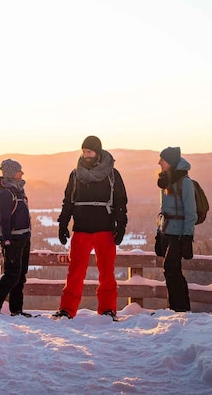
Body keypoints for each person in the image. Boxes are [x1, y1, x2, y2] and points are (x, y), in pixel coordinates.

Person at [54, 136, 128, 320]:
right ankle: (67, 310)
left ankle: (108, 309)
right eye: (84, 151)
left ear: (98, 152)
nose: (86, 155)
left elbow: (120, 201)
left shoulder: (112, 174)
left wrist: (121, 224)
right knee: (75, 273)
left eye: (89, 151)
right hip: (81, 229)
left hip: (105, 229)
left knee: (107, 273)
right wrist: (63, 223)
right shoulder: (75, 174)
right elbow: (68, 201)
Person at [0, 159, 33, 317]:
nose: (22, 173)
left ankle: (16, 310)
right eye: (19, 170)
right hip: (12, 240)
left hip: (24, 237)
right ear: (12, 173)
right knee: (12, 275)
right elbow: (5, 218)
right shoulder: (6, 193)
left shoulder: (18, 190)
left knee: (20, 275)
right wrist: (6, 240)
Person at [155, 146, 196, 312]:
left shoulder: (185, 182)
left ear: (170, 162)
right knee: (171, 270)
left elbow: (190, 211)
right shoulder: (167, 181)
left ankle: (180, 308)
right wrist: (159, 232)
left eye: (162, 160)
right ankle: (175, 307)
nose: (159, 163)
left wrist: (187, 236)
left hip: (178, 234)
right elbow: (164, 210)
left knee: (172, 269)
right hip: (167, 231)